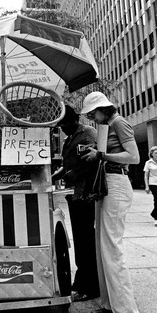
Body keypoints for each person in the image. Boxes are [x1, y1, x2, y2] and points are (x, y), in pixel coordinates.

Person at [80, 91, 145, 313]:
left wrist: (101, 154)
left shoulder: (118, 122)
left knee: (111, 250)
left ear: (104, 108)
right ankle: (111, 306)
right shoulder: (109, 125)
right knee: (102, 249)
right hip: (108, 184)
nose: (92, 118)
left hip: (116, 183)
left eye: (93, 113)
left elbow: (134, 157)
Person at [51, 105, 100, 301]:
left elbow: (96, 158)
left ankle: (91, 285)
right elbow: (66, 166)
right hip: (74, 194)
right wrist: (53, 177)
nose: (63, 128)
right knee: (79, 239)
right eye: (60, 125)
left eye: (65, 123)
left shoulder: (88, 133)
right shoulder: (68, 139)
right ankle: (81, 280)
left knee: (86, 239)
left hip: (86, 193)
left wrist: (76, 172)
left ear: (75, 120)